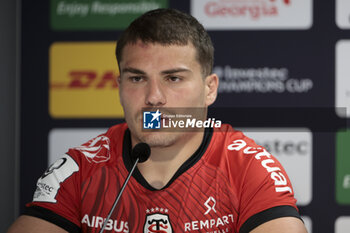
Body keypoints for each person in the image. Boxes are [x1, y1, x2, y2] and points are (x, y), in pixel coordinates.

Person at [8, 8, 308, 233]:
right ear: (120, 87)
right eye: (137, 78)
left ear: (209, 89)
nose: (154, 97)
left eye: (173, 78)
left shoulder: (248, 167)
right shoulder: (81, 167)